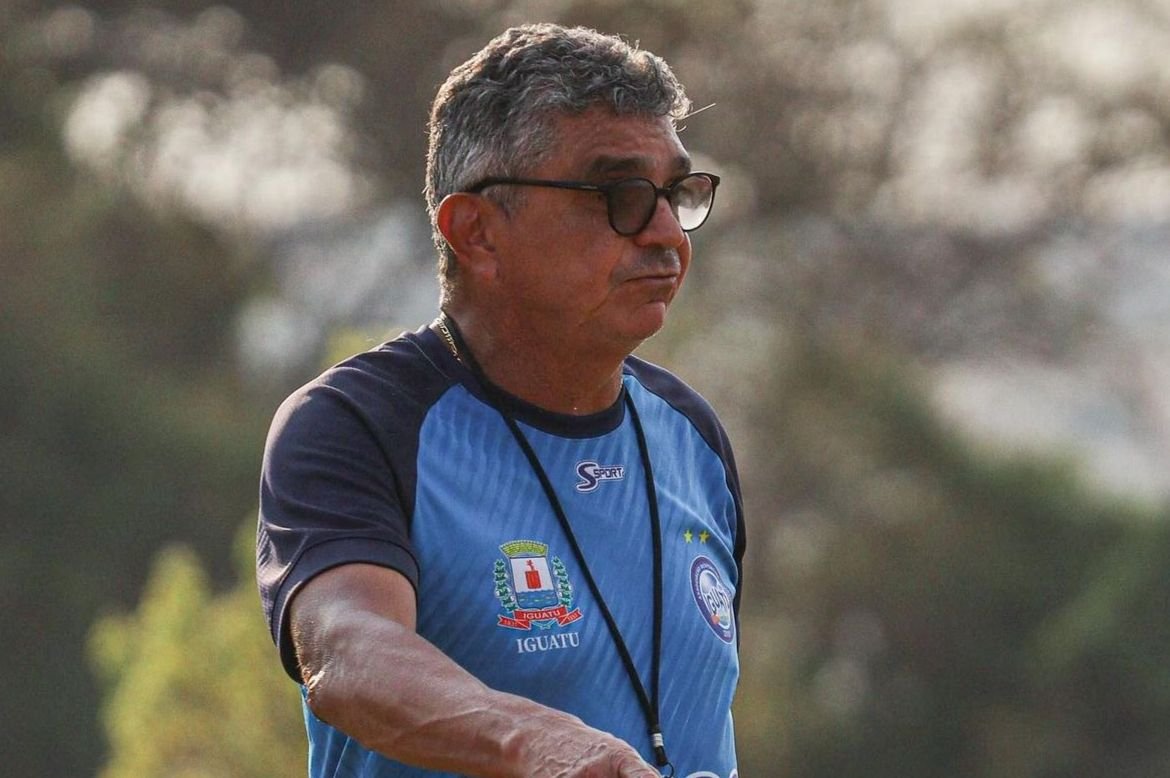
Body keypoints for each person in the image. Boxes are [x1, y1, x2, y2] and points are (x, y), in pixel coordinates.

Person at [257, 22, 745, 778]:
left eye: (676, 194)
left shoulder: (694, 437)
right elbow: (346, 655)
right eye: (617, 194)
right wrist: (540, 748)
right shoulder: (357, 423)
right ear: (476, 232)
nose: (664, 236)